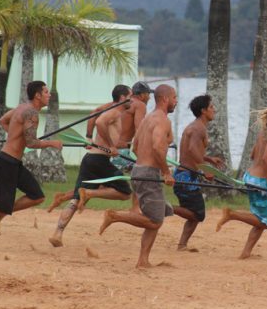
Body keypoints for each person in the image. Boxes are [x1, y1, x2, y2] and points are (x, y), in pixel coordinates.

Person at [0, 81, 63, 247]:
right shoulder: (31, 114)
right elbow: (31, 143)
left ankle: (1, 213)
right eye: (46, 92)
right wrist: (52, 144)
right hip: (7, 162)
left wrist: (15, 135)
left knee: (37, 196)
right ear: (37, 95)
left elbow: (3, 121)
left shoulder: (21, 108)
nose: (49, 95)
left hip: (13, 162)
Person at [99, 84, 177, 268]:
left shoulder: (148, 119)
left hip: (140, 171)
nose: (176, 101)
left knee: (158, 215)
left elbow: (135, 147)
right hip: (148, 173)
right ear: (165, 99)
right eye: (174, 98)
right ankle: (114, 216)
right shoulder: (162, 120)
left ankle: (143, 260)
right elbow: (158, 147)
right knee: (155, 220)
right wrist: (166, 172)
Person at [46, 81, 152, 211]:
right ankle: (135, 208)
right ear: (141, 95)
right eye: (148, 94)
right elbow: (140, 129)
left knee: (102, 182)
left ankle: (64, 197)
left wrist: (89, 137)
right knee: (138, 175)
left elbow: (94, 113)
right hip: (121, 151)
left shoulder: (113, 105)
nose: (150, 98)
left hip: (110, 149)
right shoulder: (140, 105)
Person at [48, 85, 133, 247]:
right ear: (122, 98)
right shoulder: (114, 112)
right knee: (125, 193)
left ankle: (57, 233)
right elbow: (100, 122)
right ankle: (89, 193)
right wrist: (110, 146)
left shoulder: (112, 109)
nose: (133, 99)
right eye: (131, 96)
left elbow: (96, 116)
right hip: (99, 161)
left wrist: (93, 139)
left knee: (75, 199)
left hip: (90, 159)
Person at [216, 99, 267, 259]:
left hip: (251, 177)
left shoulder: (265, 131)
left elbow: (254, 156)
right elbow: (264, 159)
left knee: (261, 219)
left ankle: (245, 253)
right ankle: (231, 215)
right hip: (260, 182)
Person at [172, 95, 223, 251]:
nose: (214, 109)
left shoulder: (196, 126)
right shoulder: (198, 128)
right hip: (185, 176)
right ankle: (165, 207)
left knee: (194, 214)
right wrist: (205, 170)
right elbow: (192, 150)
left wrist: (208, 159)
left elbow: (193, 150)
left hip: (187, 175)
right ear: (203, 110)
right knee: (198, 214)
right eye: (211, 107)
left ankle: (182, 245)